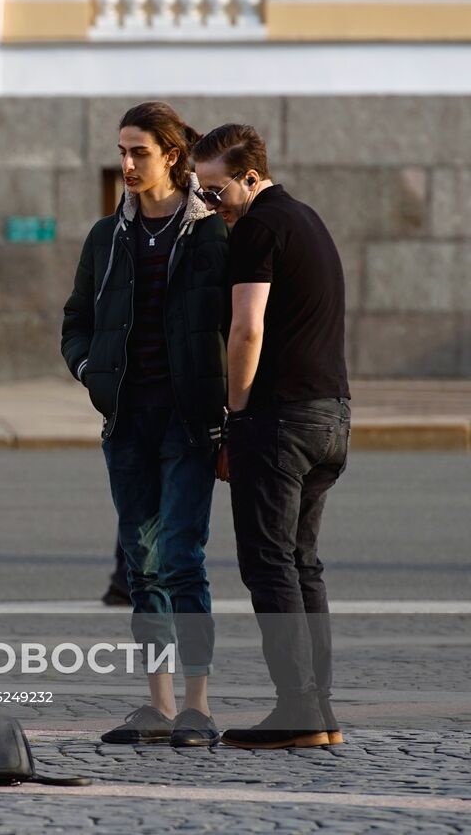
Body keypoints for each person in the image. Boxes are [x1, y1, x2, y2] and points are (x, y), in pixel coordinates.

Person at [61, 101, 229, 748]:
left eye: (141, 152)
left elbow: (239, 325)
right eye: (123, 152)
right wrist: (89, 370)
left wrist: (229, 414)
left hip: (189, 424)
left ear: (173, 156)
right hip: (128, 421)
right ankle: (157, 705)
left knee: (182, 556)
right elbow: (76, 318)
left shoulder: (212, 235)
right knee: (140, 559)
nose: (127, 164)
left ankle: (196, 705)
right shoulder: (108, 237)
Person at [194, 124, 350, 750]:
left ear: (251, 177)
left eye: (216, 191)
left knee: (269, 565)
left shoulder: (259, 227)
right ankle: (319, 711)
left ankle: (298, 708)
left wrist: (234, 414)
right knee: (301, 563)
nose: (210, 204)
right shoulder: (306, 218)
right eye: (201, 193)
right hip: (330, 416)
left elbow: (247, 329)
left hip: (279, 420)